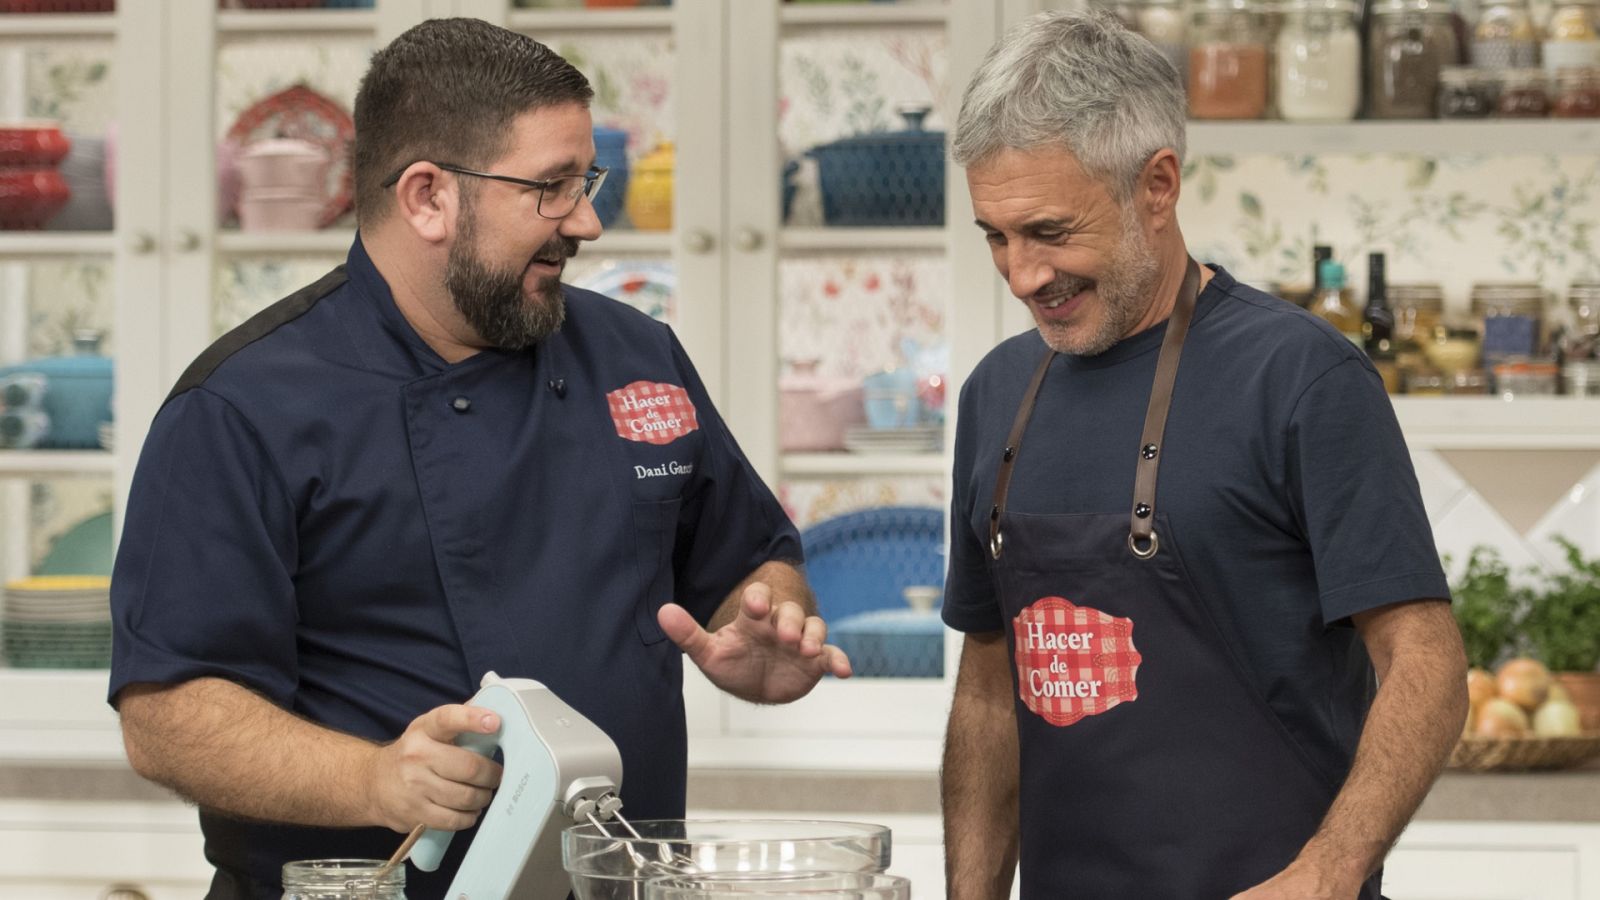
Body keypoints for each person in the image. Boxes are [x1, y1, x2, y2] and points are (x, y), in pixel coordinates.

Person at [108, 18, 850, 899]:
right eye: (552, 187)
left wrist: (769, 625)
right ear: (427, 197)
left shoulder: (637, 357)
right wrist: (374, 778)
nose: (589, 221)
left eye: (588, 181)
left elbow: (748, 561)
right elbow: (169, 714)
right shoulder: (241, 409)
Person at [938, 11, 1467, 899]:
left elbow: (1427, 664)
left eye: (1051, 232)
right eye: (998, 236)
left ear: (1158, 185)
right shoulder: (998, 393)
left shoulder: (1303, 377)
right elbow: (991, 688)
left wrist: (1327, 875)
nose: (1024, 275)